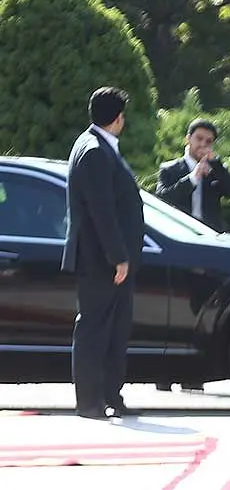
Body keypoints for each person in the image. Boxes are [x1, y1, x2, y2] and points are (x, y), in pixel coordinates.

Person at [63, 87, 145, 420]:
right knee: (95, 330)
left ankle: (111, 394)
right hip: (102, 261)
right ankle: (91, 402)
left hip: (109, 259)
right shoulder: (95, 149)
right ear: (118, 118)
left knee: (114, 329)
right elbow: (102, 210)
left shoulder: (94, 145)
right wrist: (118, 256)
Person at [155, 118, 230, 231]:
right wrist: (192, 178)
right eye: (199, 139)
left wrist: (216, 165)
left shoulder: (216, 169)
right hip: (179, 233)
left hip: (211, 234)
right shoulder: (169, 169)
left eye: (208, 141)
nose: (203, 144)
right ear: (188, 139)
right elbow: (161, 199)